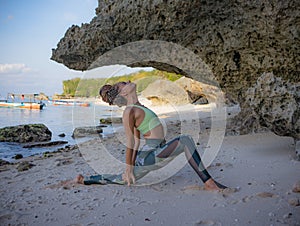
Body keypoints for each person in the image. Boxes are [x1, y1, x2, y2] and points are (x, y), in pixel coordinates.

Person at [76, 81, 227, 191]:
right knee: (185, 140)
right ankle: (209, 184)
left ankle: (86, 180)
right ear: (123, 93)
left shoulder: (139, 107)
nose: (128, 81)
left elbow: (136, 141)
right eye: (124, 83)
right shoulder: (129, 111)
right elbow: (131, 142)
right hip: (150, 155)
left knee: (120, 179)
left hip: (157, 150)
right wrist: (129, 169)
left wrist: (131, 167)